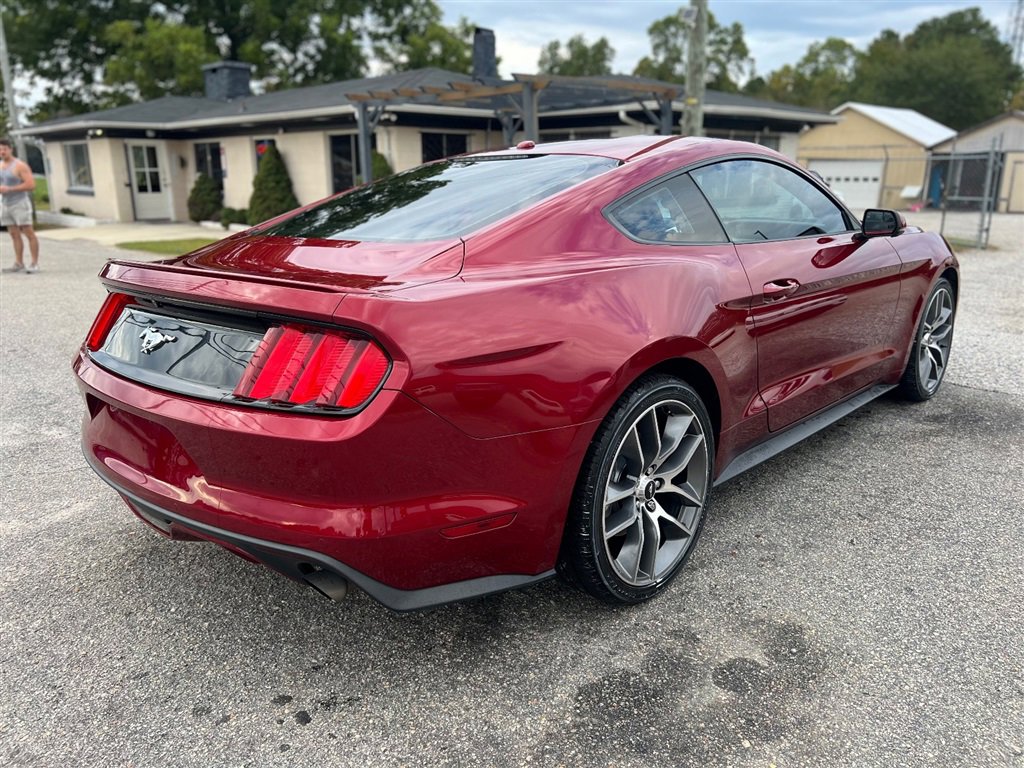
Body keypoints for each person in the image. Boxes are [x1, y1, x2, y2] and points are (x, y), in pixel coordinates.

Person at [0, 138, 39, 273]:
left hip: (19, 203)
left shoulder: (19, 165)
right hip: (5, 204)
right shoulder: (0, 165)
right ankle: (19, 263)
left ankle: (34, 263)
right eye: (0, 149)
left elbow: (31, 184)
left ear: (11, 149)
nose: (2, 152)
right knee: (14, 234)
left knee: (28, 233)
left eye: (4, 149)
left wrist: (10, 189)